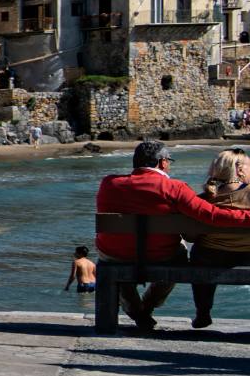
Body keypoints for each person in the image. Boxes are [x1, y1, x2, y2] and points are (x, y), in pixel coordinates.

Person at [94, 140, 250, 332]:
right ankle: (148, 304)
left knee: (111, 260)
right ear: (163, 162)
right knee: (180, 256)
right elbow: (211, 215)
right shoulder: (174, 187)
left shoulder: (108, 183)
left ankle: (136, 309)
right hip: (161, 254)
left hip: (114, 254)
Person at [191, 147, 250, 329]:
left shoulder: (204, 199)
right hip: (248, 255)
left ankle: (203, 312)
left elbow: (190, 235)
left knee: (198, 253)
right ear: (239, 170)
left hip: (211, 257)